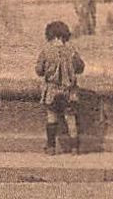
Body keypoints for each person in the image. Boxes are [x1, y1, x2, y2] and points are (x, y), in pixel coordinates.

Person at [35, 20, 85, 155]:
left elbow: (39, 70)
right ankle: (75, 149)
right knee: (71, 119)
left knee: (51, 117)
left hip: (51, 90)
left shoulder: (46, 51)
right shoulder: (72, 51)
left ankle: (51, 148)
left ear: (52, 36)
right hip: (69, 91)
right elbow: (80, 68)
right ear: (64, 36)